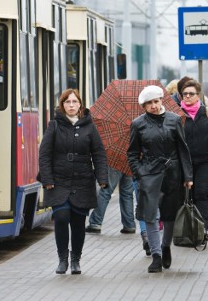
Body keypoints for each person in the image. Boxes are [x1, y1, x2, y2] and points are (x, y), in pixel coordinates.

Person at [38, 89, 108, 275]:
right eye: (67, 102)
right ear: (62, 105)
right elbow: (44, 154)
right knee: (61, 218)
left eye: (74, 102)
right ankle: (62, 259)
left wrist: (102, 178)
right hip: (58, 181)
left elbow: (99, 154)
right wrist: (47, 179)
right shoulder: (53, 125)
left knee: (78, 222)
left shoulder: (90, 127)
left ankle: (76, 259)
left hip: (82, 181)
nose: (71, 105)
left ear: (80, 105)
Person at [127, 85, 193, 273]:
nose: (153, 106)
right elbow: (132, 153)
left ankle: (165, 246)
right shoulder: (138, 124)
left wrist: (188, 176)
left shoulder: (174, 120)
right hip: (149, 174)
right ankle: (156, 255)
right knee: (151, 215)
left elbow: (183, 149)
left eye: (156, 101)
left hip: (172, 174)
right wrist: (139, 172)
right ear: (144, 106)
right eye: (149, 103)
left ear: (161, 101)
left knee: (169, 214)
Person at [179, 79, 208, 243]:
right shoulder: (177, 115)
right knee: (187, 196)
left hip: (206, 162)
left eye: (191, 94)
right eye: (184, 94)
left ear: (198, 95)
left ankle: (202, 230)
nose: (187, 97)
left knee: (201, 194)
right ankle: (188, 229)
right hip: (184, 163)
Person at [85, 165, 137, 234]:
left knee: (105, 192)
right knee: (127, 194)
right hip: (131, 163)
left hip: (116, 160)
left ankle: (95, 223)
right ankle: (129, 225)